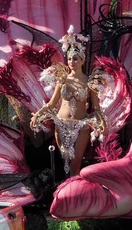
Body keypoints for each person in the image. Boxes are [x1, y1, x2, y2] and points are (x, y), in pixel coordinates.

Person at [30, 27, 106, 176]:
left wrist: (102, 121)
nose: (72, 61)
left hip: (81, 126)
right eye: (70, 58)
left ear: (83, 60)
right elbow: (52, 104)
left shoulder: (90, 82)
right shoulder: (62, 79)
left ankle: (73, 192)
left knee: (76, 161)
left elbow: (96, 107)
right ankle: (67, 190)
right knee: (65, 160)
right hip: (61, 124)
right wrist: (37, 115)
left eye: (75, 58)